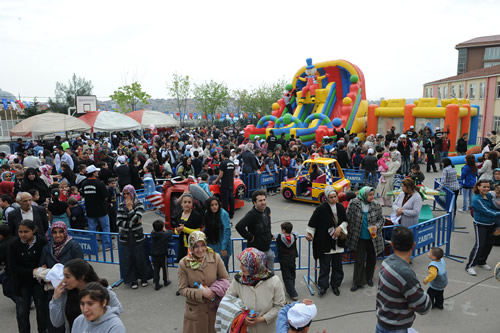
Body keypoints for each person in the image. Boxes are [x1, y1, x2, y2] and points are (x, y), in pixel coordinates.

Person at [376, 226, 431, 332]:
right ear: (413, 245)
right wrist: (410, 303)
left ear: (392, 244)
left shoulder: (386, 262)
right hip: (396, 328)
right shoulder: (406, 275)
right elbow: (424, 306)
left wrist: (409, 302)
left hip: (382, 323)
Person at [50, 258, 123, 332]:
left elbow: (117, 310)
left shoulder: (102, 291)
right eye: (82, 304)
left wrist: (98, 323)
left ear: (81, 277)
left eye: (67, 277)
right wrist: (56, 300)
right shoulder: (65, 293)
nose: (63, 280)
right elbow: (56, 323)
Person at [178, 231, 229, 333]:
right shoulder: (184, 263)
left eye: (203, 245)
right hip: (195, 313)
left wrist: (215, 290)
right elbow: (182, 289)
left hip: (213, 310)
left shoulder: (215, 258)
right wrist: (201, 293)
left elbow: (226, 280)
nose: (200, 250)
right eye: (196, 246)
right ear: (191, 247)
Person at [226, 247, 285, 333]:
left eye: (245, 265)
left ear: (256, 266)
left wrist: (262, 319)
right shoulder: (238, 280)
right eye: (241, 263)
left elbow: (279, 306)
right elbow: (228, 300)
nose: (241, 267)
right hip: (244, 328)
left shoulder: (274, 281)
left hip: (267, 329)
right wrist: (241, 317)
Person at [8, 219, 49, 333]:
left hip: (39, 283)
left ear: (33, 230)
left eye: (26, 231)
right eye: (20, 232)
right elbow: (13, 267)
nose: (23, 234)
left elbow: (46, 259)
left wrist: (43, 267)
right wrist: (31, 271)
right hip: (21, 284)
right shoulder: (14, 245)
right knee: (22, 313)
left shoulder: (42, 242)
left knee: (42, 311)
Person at [305, 186, 347, 296]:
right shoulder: (321, 208)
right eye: (331, 197)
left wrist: (340, 228)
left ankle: (335, 285)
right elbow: (312, 223)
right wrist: (309, 233)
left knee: (338, 266)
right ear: (327, 197)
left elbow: (346, 221)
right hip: (325, 242)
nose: (334, 199)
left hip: (338, 243)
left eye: (335, 197)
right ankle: (323, 286)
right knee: (325, 266)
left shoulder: (341, 207)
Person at [346, 186, 385, 292]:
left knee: (372, 258)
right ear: (364, 194)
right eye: (370, 195)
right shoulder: (354, 203)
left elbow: (381, 219)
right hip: (358, 237)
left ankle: (369, 278)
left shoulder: (376, 205)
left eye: (373, 194)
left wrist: (377, 226)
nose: (372, 197)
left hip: (373, 238)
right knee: (359, 259)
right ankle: (357, 281)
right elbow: (348, 216)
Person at [117, 184, 151, 289]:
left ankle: (144, 278)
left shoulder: (139, 204)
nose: (126, 196)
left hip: (137, 236)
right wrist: (132, 223)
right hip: (125, 237)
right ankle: (133, 280)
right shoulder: (121, 205)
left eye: (128, 193)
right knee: (129, 259)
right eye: (124, 194)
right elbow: (119, 222)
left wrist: (130, 208)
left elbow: (137, 219)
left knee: (140, 257)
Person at [465, 179, 500, 276]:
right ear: (478, 187)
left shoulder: (489, 195)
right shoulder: (477, 199)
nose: (486, 188)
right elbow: (488, 212)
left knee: (489, 244)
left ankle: (482, 261)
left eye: (488, 187)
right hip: (481, 224)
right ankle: (470, 265)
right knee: (480, 245)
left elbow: (496, 194)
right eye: (484, 186)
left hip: (492, 224)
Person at [236, 190, 274, 272]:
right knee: (258, 276)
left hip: (268, 250)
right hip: (256, 253)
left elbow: (267, 225)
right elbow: (239, 226)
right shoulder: (251, 214)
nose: (263, 202)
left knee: (270, 275)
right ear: (254, 203)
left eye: (264, 199)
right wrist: (250, 238)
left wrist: (270, 235)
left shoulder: (267, 210)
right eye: (260, 200)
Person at [82, 165, 112, 251]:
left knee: (92, 229)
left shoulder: (84, 183)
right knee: (105, 227)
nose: (97, 172)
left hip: (90, 210)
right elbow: (105, 197)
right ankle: (107, 245)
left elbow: (83, 194)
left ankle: (94, 246)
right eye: (96, 171)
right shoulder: (100, 184)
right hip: (101, 210)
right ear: (93, 173)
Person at [204, 196, 232, 271]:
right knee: (212, 270)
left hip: (222, 247)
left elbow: (227, 231)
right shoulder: (207, 213)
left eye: (216, 204)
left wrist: (224, 248)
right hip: (211, 245)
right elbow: (207, 228)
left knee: (223, 270)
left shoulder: (223, 214)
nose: (214, 207)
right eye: (212, 205)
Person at [173, 193, 203, 262]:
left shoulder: (196, 215)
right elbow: (175, 230)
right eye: (185, 202)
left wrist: (184, 229)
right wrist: (178, 231)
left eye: (189, 202)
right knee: (183, 268)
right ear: (181, 203)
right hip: (182, 246)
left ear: (192, 204)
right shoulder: (179, 214)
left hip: (193, 246)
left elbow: (197, 231)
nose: (187, 204)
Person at [274, 221, 299, 300]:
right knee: (292, 273)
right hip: (292, 257)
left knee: (286, 275)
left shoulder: (278, 237)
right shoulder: (294, 236)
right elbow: (296, 233)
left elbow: (272, 235)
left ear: (283, 230)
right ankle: (291, 288)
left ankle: (293, 293)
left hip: (283, 258)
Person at [151, 219, 173, 290]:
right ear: (162, 227)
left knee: (156, 270)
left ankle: (156, 284)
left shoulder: (152, 233)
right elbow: (171, 232)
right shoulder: (164, 235)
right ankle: (166, 281)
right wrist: (165, 230)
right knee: (165, 269)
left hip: (154, 255)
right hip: (162, 255)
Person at [212, 149, 235, 218]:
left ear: (223, 155)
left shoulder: (222, 163)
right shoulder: (232, 162)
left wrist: (215, 181)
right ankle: (231, 214)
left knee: (225, 200)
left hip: (225, 184)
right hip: (231, 183)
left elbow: (221, 174)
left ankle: (225, 215)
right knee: (231, 199)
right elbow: (234, 174)